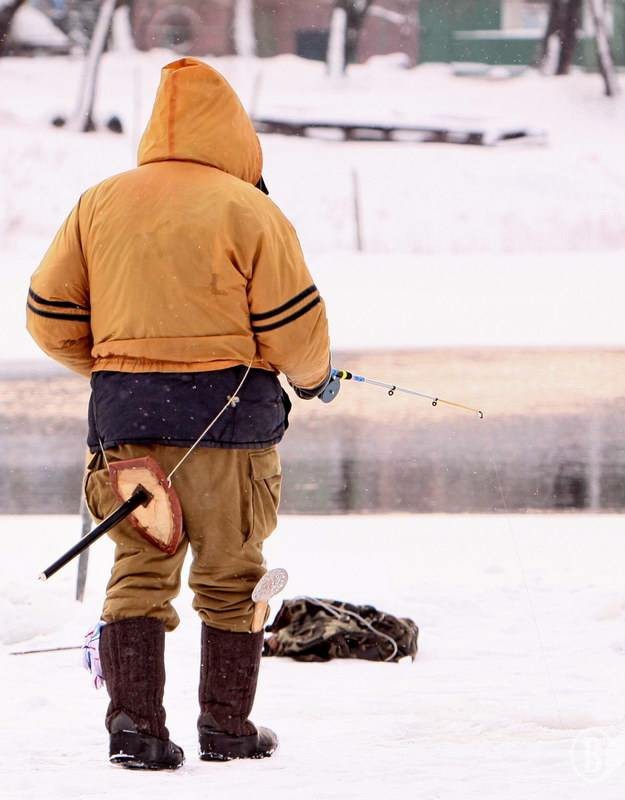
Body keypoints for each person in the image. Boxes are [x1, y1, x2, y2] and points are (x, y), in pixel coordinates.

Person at [26, 57, 338, 770]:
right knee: (232, 575)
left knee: (139, 567)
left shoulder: (98, 202)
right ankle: (226, 729)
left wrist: (117, 368)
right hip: (231, 429)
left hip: (126, 428)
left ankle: (135, 729)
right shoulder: (248, 207)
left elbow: (47, 316)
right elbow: (296, 330)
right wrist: (316, 380)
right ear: (235, 134)